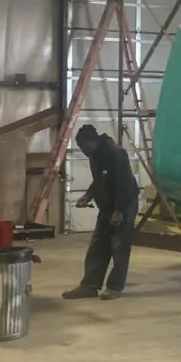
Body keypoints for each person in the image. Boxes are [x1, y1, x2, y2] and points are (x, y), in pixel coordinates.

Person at [63, 124, 140, 301]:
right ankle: (89, 285)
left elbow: (124, 183)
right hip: (107, 206)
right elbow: (99, 180)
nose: (83, 152)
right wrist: (88, 196)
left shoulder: (116, 153)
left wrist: (119, 211)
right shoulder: (95, 155)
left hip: (124, 204)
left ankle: (115, 287)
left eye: (83, 147)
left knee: (119, 247)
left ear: (92, 141)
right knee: (98, 245)